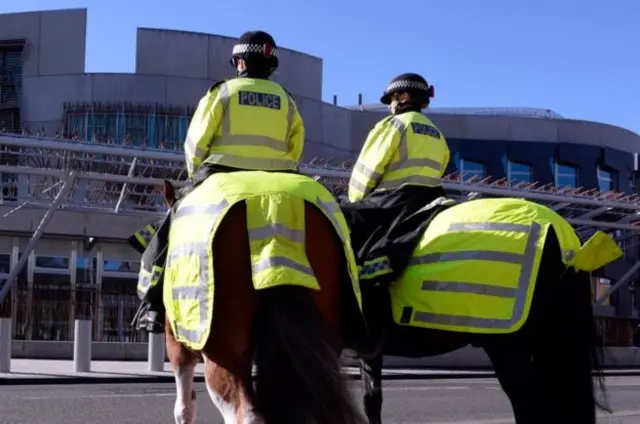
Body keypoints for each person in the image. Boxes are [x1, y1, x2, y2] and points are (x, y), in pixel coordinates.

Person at [129, 30, 305, 333]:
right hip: (280, 178)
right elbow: (296, 146)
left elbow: (196, 144)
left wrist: (194, 179)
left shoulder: (223, 93)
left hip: (221, 174)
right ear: (271, 66)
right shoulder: (287, 100)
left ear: (239, 62)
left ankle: (153, 304)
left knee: (169, 231)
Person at [341, 72, 452, 289]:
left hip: (392, 202)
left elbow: (366, 172)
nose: (389, 106)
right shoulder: (438, 133)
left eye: (391, 99)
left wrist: (354, 201)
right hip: (430, 199)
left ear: (402, 97)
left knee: (340, 218)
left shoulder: (394, 125)